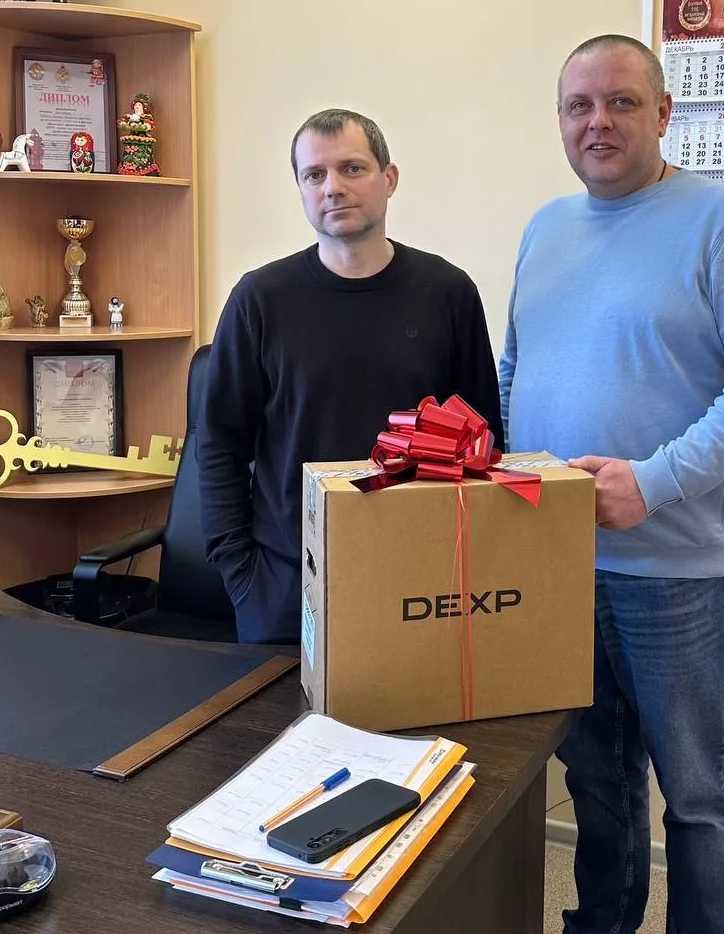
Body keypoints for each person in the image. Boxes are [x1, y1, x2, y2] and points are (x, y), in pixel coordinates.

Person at [500, 35, 724, 934]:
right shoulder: (545, 228)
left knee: (698, 800)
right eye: (578, 106)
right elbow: (515, 368)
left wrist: (654, 479)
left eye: (621, 102)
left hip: (677, 577)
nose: (598, 122)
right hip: (559, 567)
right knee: (596, 780)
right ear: (560, 121)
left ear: (664, 113)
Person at [198, 108, 503, 644]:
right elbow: (219, 444)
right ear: (300, 189)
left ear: (389, 178)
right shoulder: (259, 300)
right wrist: (240, 573)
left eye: (352, 168)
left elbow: (483, 440)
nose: (333, 187)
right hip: (285, 585)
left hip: (420, 581)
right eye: (314, 175)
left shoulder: (448, 293)